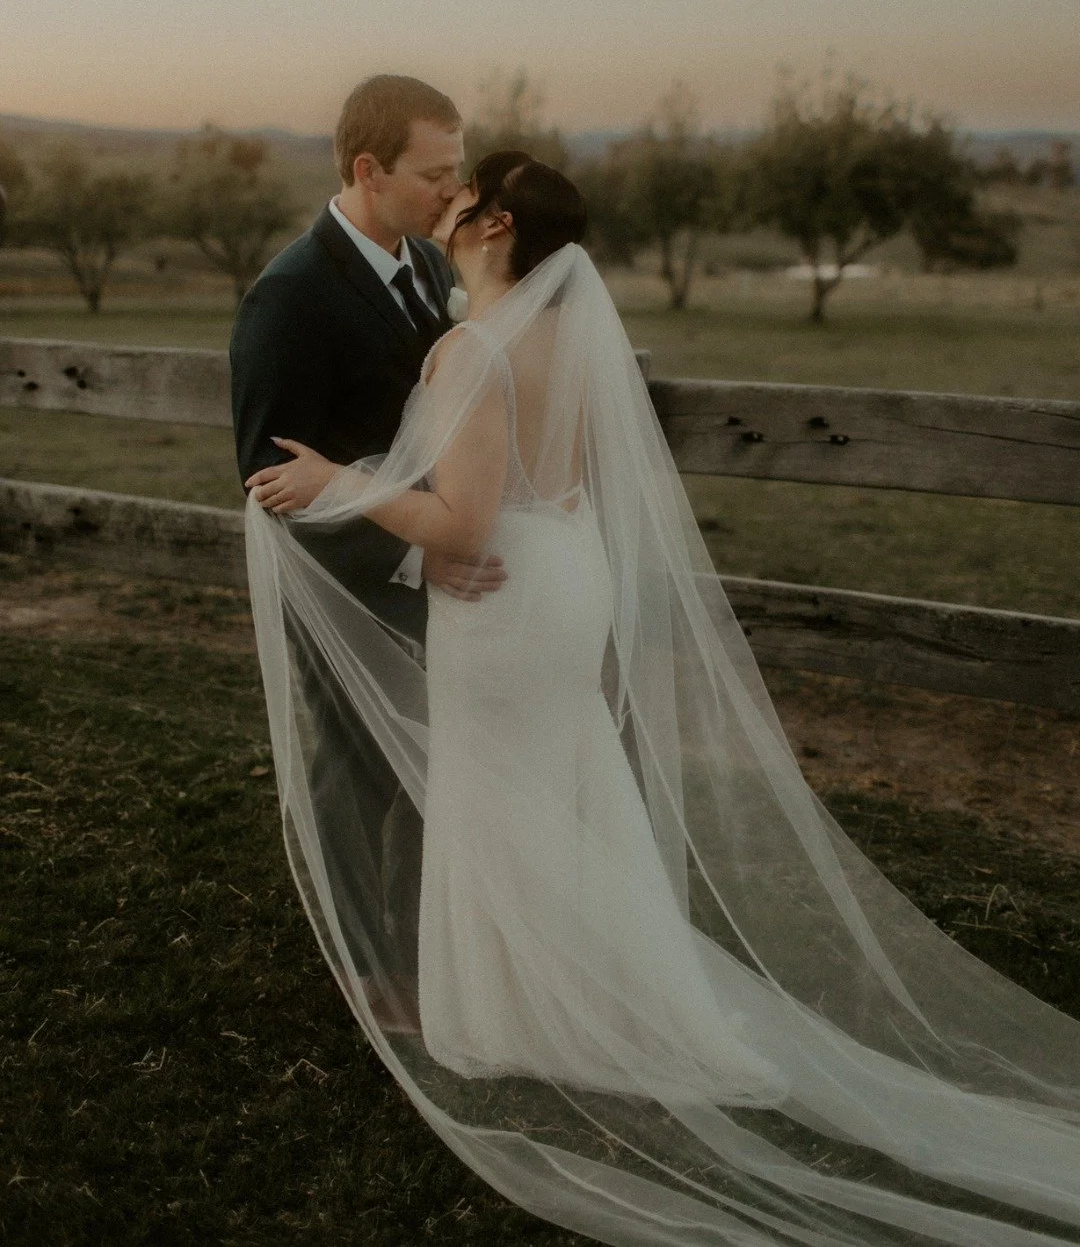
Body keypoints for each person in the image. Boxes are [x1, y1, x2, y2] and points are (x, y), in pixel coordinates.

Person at [244, 153, 1080, 1245]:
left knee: (503, 785)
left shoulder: (471, 350)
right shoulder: (569, 340)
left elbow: (464, 527)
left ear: (494, 224)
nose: (443, 204)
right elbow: (569, 486)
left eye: (463, 192)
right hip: (565, 578)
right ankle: (583, 992)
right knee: (564, 770)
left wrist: (336, 483)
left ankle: (539, 1012)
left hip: (505, 597)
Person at [230, 75, 507, 1035]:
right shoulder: (289, 295)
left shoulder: (426, 269)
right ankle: (365, 966)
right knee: (355, 771)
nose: (451, 192)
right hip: (341, 583)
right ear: (367, 170)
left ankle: (427, 944)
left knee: (424, 762)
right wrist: (408, 555)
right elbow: (269, 481)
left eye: (455, 170)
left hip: (424, 564)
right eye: (434, 175)